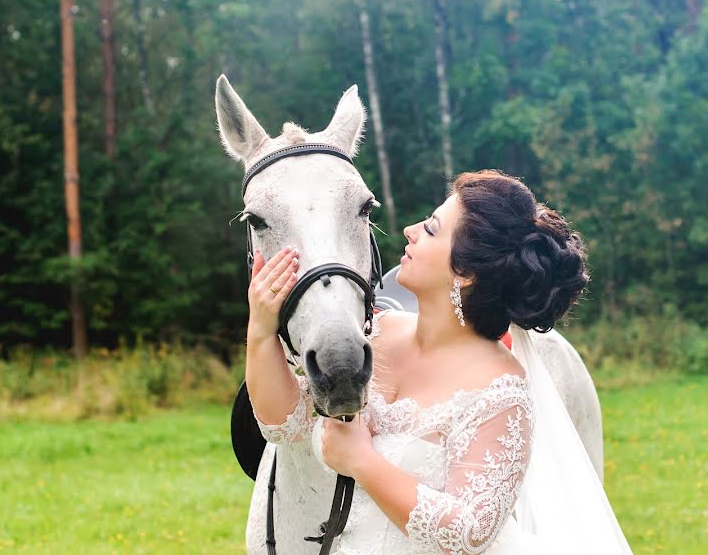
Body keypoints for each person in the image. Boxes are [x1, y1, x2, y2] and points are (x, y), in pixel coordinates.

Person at [247, 170, 631, 554]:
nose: (410, 230)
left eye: (430, 229)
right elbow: (285, 424)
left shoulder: (501, 387)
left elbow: (468, 532)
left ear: (464, 272)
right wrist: (262, 328)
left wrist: (362, 462)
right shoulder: (375, 333)